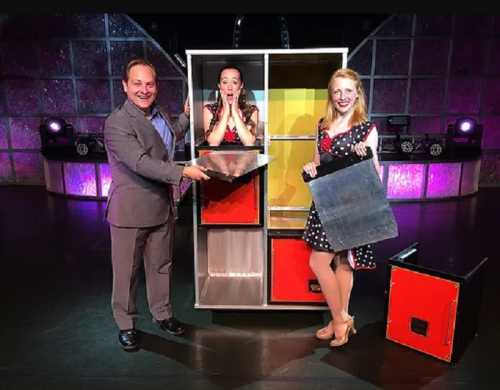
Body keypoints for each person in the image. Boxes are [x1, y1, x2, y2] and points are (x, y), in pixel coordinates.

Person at [103, 58, 210, 351]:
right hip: (130, 212)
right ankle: (126, 324)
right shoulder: (117, 122)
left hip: (162, 207)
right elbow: (140, 162)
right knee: (126, 273)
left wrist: (186, 117)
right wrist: (182, 172)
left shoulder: (160, 113)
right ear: (125, 86)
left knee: (161, 266)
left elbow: (170, 135)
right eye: (137, 83)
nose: (144, 89)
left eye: (149, 84)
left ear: (156, 87)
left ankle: (162, 315)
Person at [302, 68, 382, 348]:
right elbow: (318, 163)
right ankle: (341, 320)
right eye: (337, 91)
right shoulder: (323, 125)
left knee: (336, 262)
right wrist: (312, 167)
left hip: (352, 207)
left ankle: (339, 321)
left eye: (348, 90)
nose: (342, 96)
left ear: (357, 93)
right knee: (335, 263)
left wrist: (367, 157)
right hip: (326, 202)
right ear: (331, 94)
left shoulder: (367, 129)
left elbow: (376, 175)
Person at [203, 65, 259, 146]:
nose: (229, 87)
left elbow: (249, 142)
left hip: (245, 158)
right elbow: (213, 142)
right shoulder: (209, 110)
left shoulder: (251, 111)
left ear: (241, 85)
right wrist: (226, 112)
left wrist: (235, 112)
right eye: (225, 82)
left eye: (234, 82)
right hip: (216, 158)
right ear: (219, 85)